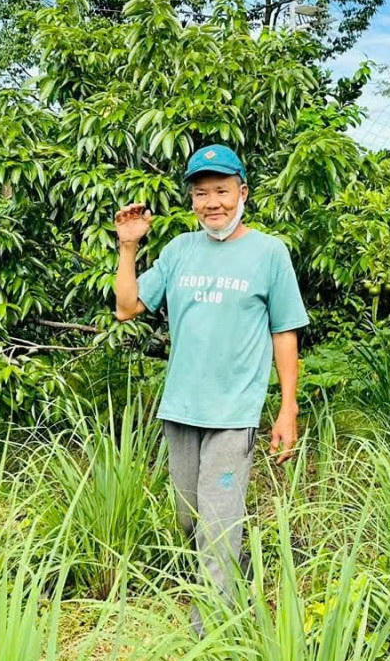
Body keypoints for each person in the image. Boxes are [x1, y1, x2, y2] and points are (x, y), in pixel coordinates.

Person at [113, 143, 309, 626]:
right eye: (201, 194)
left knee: (217, 524)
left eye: (222, 190)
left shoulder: (269, 253)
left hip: (233, 411)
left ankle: (212, 633)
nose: (212, 202)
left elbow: (285, 332)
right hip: (181, 407)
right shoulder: (180, 250)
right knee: (191, 517)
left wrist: (288, 408)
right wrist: (128, 247)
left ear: (243, 193)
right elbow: (127, 307)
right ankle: (239, 574)